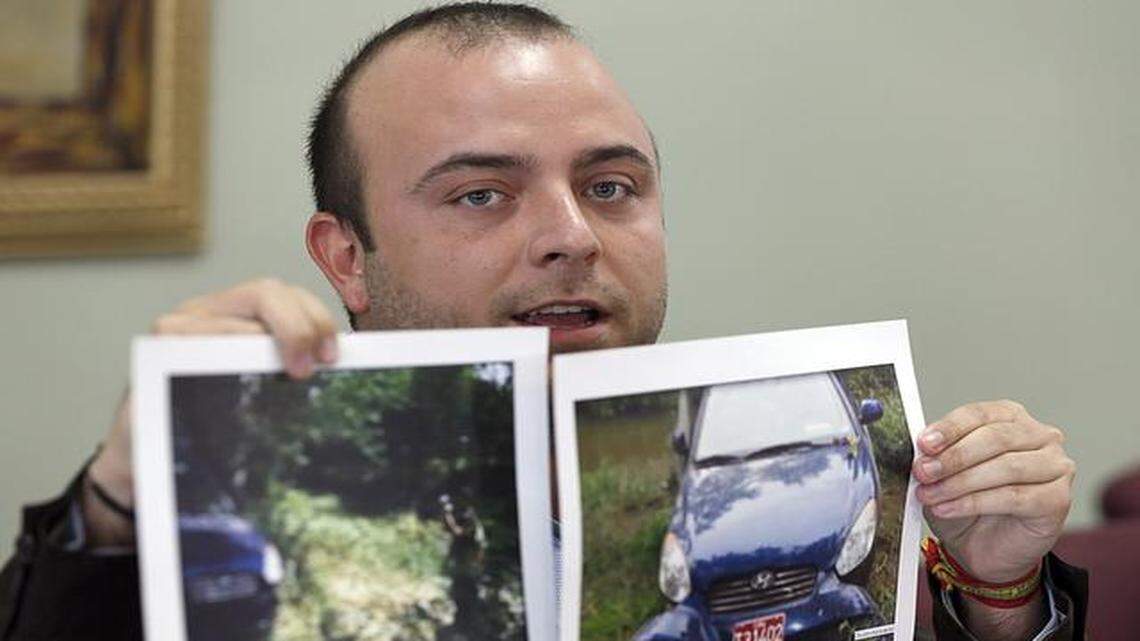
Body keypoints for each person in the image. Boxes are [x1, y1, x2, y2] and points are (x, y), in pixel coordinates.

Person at [0, 3, 1084, 640]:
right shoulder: (229, 519)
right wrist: (117, 509)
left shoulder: (770, 470)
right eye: (482, 194)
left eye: (611, 186)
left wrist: (1000, 592)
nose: (571, 236)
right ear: (346, 256)